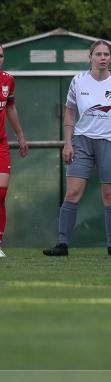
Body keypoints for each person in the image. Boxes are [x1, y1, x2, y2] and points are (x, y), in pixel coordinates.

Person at [44, 40, 111, 257]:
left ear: (110, 58)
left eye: (106, 54)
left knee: (110, 197)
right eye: (98, 54)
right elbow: (69, 113)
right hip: (82, 141)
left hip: (110, 142)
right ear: (90, 57)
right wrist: (68, 143)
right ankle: (62, 245)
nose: (102, 58)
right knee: (72, 193)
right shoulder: (78, 81)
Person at [0, 44, 29, 257]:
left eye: (0, 55)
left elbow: (10, 107)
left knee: (1, 194)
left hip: (1, 144)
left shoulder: (8, 80)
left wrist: (20, 136)